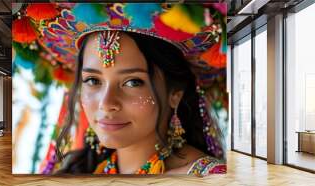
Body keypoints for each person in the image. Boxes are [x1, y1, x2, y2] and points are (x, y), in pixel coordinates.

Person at [37, 3, 227, 175]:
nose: (106, 104)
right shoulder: (80, 170)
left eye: (133, 82)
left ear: (175, 94)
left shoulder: (207, 180)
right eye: (93, 80)